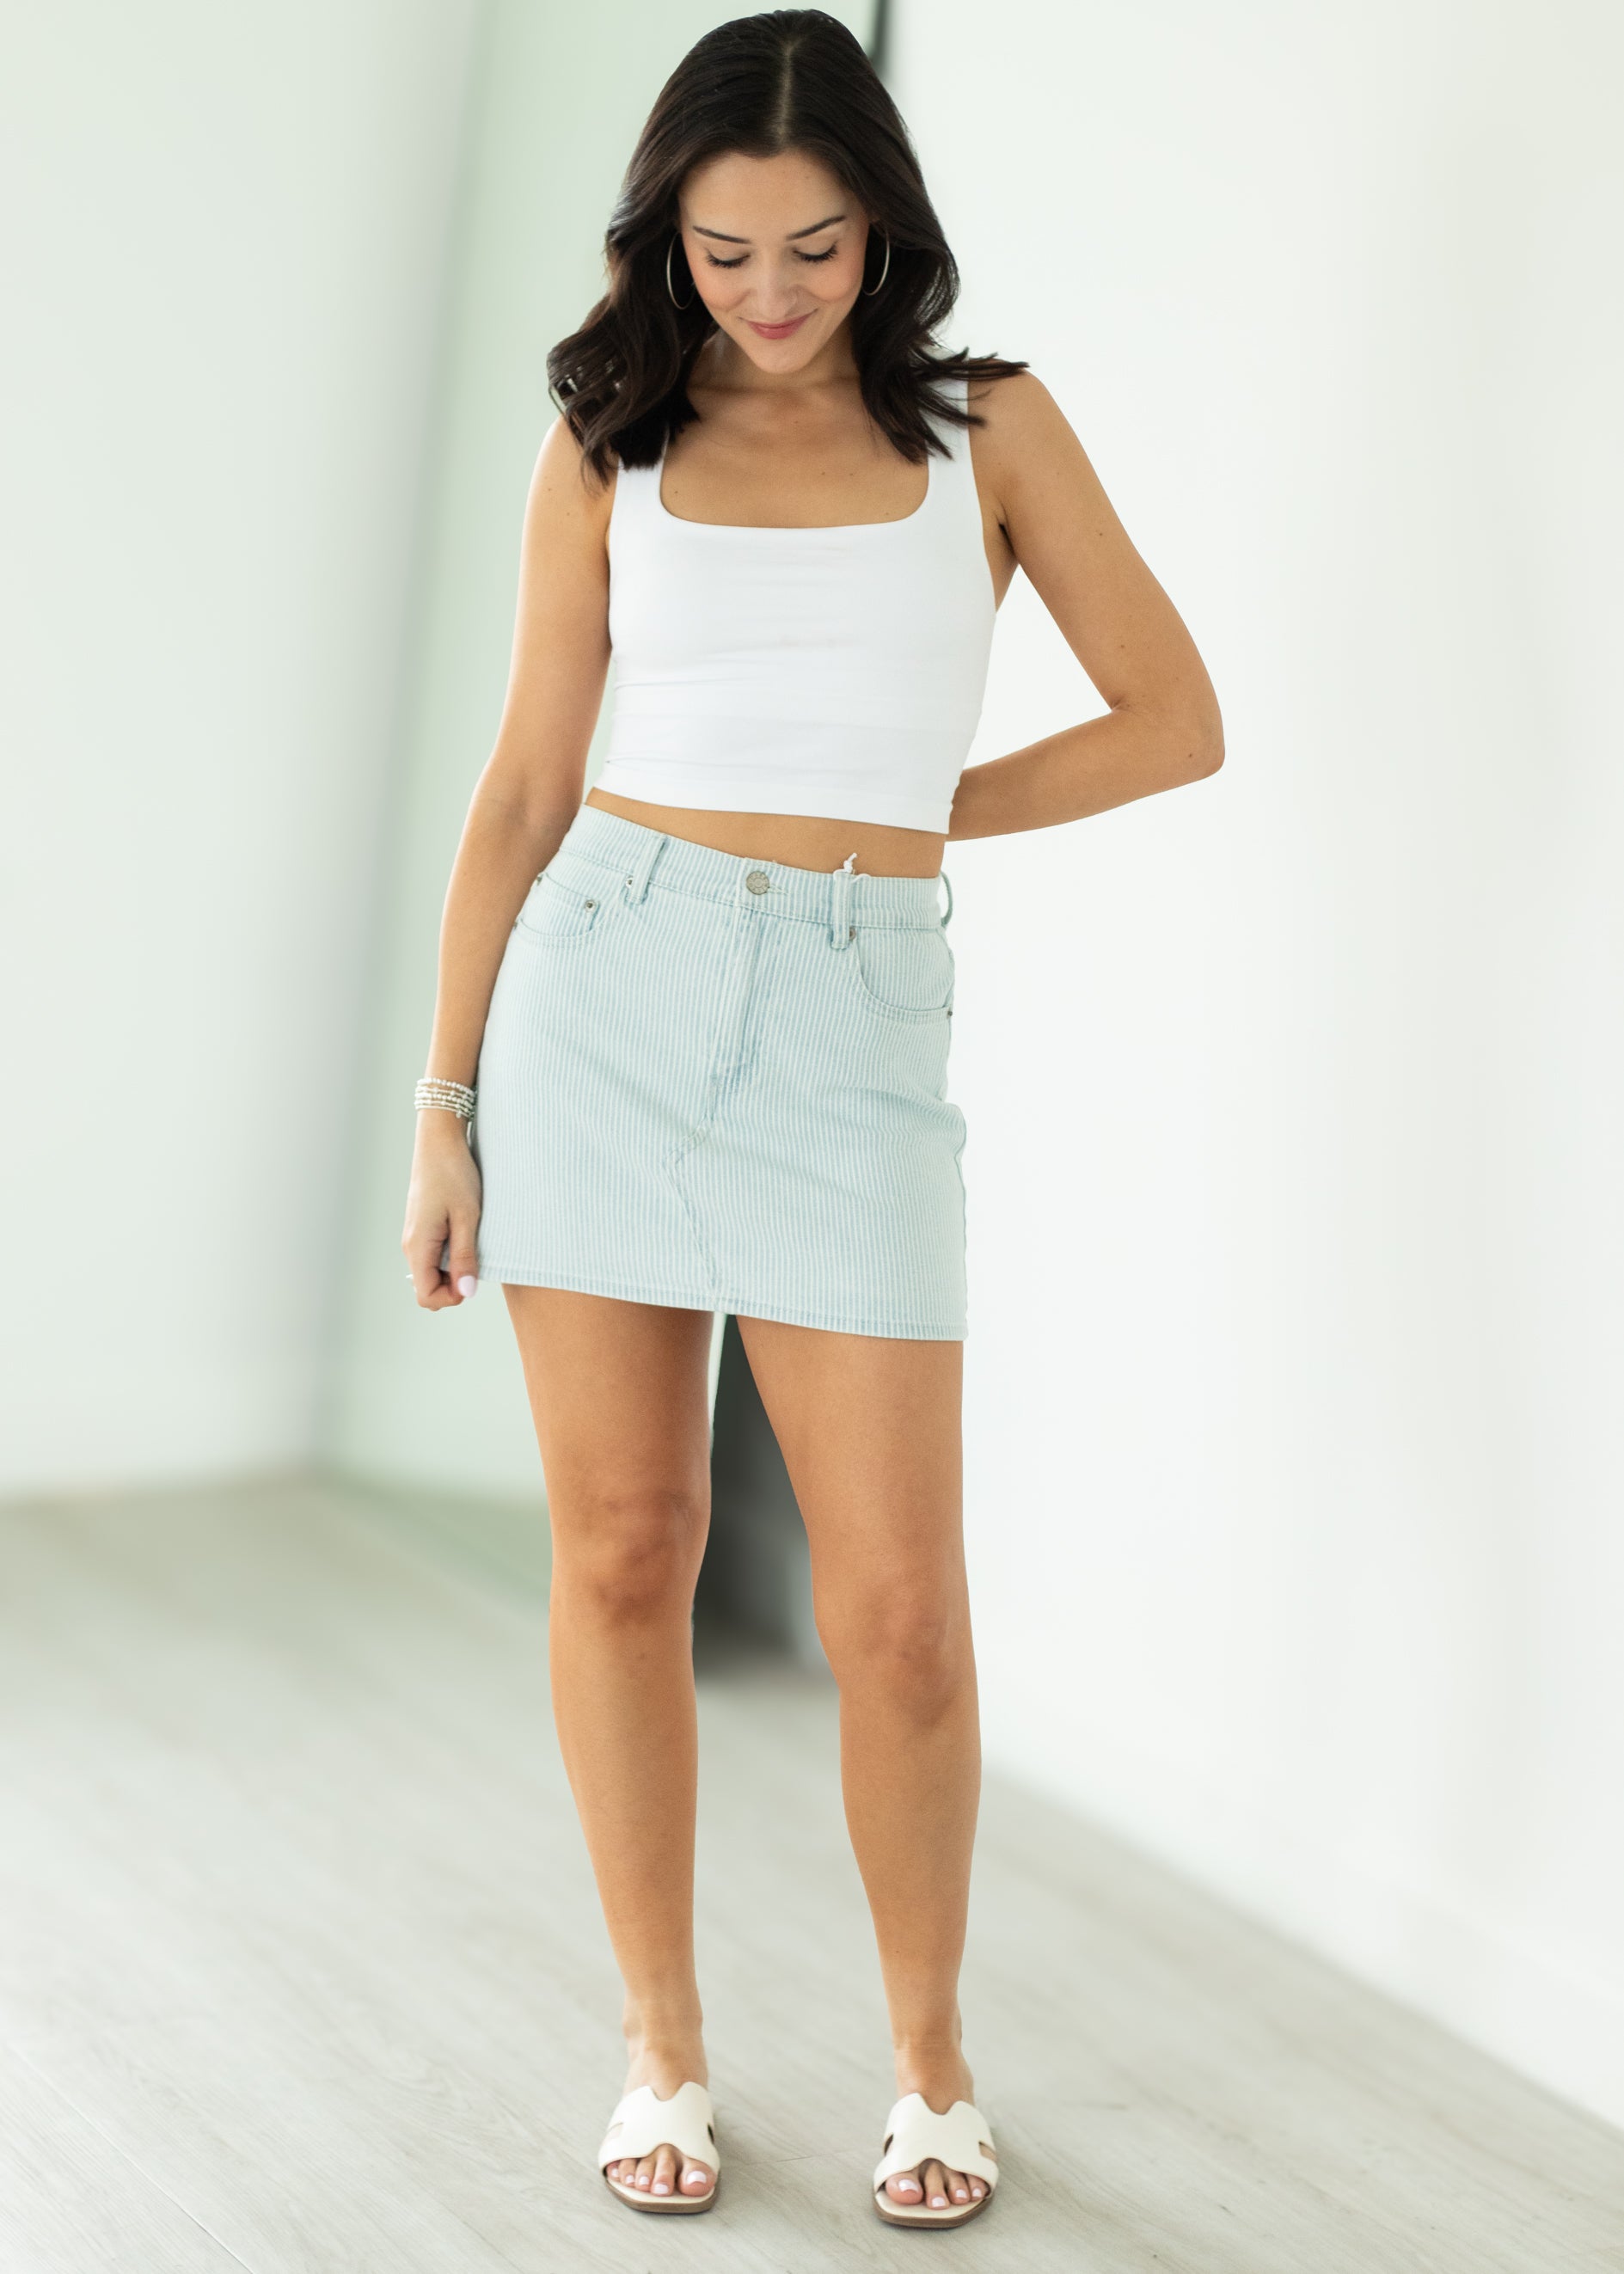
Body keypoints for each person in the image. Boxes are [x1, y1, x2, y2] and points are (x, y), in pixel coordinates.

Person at [401, 7, 1222, 2231]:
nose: (768, 295)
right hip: (604, 990)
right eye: (724, 251)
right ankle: (660, 2045)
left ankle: (930, 2065)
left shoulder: (987, 430)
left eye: (815, 249)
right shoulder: (608, 442)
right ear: (664, 241)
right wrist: (445, 1103)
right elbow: (524, 788)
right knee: (625, 1550)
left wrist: (910, 810)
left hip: (856, 1025)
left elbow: (1173, 717)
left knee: (900, 1617)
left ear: (886, 230)